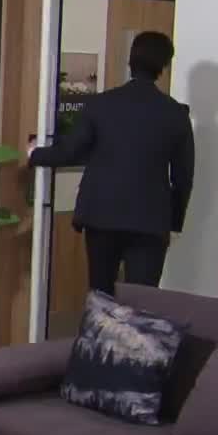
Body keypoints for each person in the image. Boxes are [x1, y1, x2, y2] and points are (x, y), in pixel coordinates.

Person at [28, 30, 195, 295]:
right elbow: (183, 176)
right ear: (164, 67)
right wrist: (174, 222)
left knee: (101, 293)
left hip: (101, 214)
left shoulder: (100, 104)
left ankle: (102, 324)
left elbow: (70, 152)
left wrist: (34, 154)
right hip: (150, 220)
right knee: (142, 299)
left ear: (131, 61)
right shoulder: (176, 113)